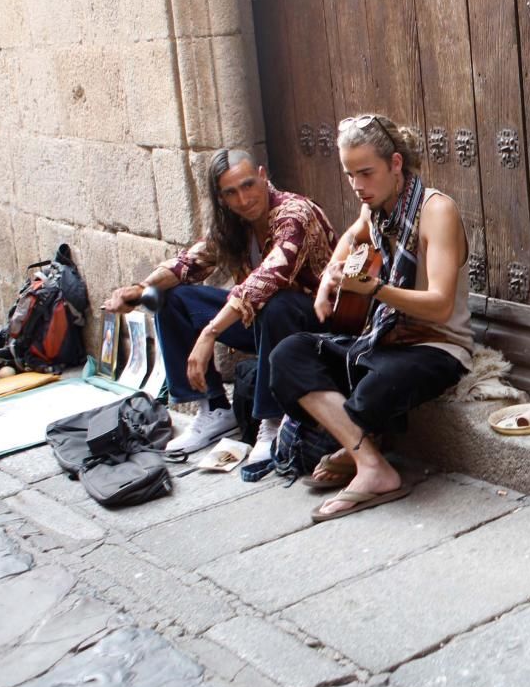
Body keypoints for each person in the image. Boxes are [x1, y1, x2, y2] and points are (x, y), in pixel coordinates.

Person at [269, 114, 472, 523]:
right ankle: (371, 462)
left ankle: (358, 449)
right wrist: (329, 279)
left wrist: (374, 290)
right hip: (381, 339)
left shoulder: (437, 210)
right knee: (288, 354)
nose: (357, 186)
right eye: (349, 175)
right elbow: (349, 238)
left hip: (434, 345)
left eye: (366, 173)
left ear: (396, 164)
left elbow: (440, 305)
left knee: (378, 385)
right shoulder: (374, 209)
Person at [101, 149, 337, 460]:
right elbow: (188, 263)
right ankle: (212, 408)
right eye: (231, 192)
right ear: (222, 197)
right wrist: (139, 289)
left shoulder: (294, 214)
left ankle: (272, 418)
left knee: (276, 302)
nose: (244, 199)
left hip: (317, 323)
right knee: (171, 298)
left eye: (249, 185)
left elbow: (265, 281)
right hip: (264, 325)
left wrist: (209, 333)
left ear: (264, 176)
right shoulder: (234, 224)